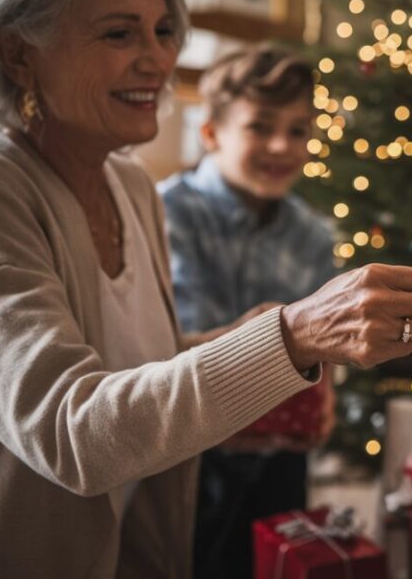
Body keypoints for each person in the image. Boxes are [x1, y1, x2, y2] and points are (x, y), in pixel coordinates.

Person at [0, 0, 412, 577]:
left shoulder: (128, 186)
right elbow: (75, 432)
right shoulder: (5, 189)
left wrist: (253, 337)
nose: (157, 59)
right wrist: (292, 334)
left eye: (164, 31)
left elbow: (141, 365)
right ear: (19, 52)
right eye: (118, 34)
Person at [158, 48, 336, 578]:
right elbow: (181, 340)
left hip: (283, 453)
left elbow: (324, 347)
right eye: (261, 127)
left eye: (299, 130)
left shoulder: (312, 233)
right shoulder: (169, 210)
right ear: (211, 133)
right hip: (193, 450)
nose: (283, 146)